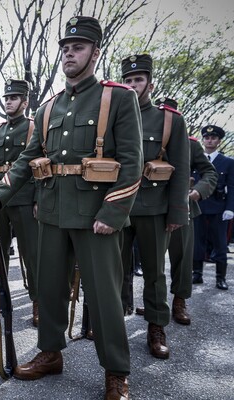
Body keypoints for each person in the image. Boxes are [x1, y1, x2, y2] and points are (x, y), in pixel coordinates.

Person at [0, 16, 142, 399]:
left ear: (95, 52)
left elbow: (132, 162)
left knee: (103, 296)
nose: (70, 54)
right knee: (50, 289)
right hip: (51, 212)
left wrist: (112, 213)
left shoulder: (117, 97)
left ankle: (116, 371)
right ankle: (50, 352)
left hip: (96, 215)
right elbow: (29, 158)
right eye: (66, 49)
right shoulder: (48, 108)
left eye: (79, 47)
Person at [120, 54, 190, 360]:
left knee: (154, 273)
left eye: (138, 79)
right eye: (128, 80)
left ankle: (156, 326)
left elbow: (182, 169)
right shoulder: (114, 114)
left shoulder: (169, 119)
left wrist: (177, 212)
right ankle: (111, 320)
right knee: (114, 270)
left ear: (150, 82)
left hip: (154, 208)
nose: (133, 85)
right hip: (118, 208)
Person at [0, 81, 39, 328]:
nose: (9, 101)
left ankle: (38, 301)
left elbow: (39, 164)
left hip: (25, 197)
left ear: (25, 102)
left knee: (31, 253)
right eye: (7, 97)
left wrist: (37, 200)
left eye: (14, 98)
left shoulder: (34, 128)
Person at [160, 99, 217, 324]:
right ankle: (152, 303)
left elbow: (209, 173)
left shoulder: (190, 144)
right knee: (149, 259)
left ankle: (179, 300)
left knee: (182, 257)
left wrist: (197, 192)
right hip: (151, 206)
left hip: (182, 206)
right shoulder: (147, 136)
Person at [193, 125, 234, 290]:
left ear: (219, 141)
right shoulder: (195, 160)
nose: (210, 141)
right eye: (207, 138)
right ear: (203, 140)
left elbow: (232, 186)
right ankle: (197, 273)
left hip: (219, 207)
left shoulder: (228, 162)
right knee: (197, 242)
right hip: (198, 206)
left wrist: (230, 208)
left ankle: (220, 278)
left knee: (220, 243)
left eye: (214, 138)